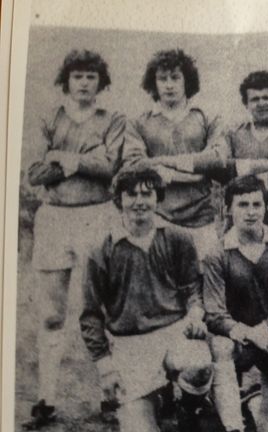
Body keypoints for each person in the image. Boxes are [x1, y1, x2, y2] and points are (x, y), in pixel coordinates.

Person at [24, 49, 126, 429]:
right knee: (52, 314)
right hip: (54, 219)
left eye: (91, 76)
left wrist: (65, 159)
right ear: (66, 81)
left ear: (101, 82)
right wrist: (85, 158)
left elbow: (109, 168)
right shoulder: (48, 118)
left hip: (96, 217)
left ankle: (111, 396)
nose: (84, 83)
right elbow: (34, 174)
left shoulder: (112, 120)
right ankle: (46, 399)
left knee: (100, 308)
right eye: (78, 76)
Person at [79, 165, 214, 432]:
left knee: (199, 365)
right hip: (130, 343)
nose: (139, 201)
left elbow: (192, 288)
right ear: (119, 200)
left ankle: (188, 407)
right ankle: (159, 395)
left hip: (173, 331)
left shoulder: (178, 237)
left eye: (147, 194)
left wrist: (195, 313)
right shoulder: (101, 248)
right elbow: (91, 314)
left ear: (158, 198)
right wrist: (105, 366)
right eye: (131, 195)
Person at [203, 175, 268, 432]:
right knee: (220, 345)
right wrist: (250, 333)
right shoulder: (217, 253)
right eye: (242, 205)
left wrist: (265, 329)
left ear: (265, 206)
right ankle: (233, 426)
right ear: (228, 208)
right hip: (241, 343)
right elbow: (215, 314)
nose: (250, 212)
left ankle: (256, 395)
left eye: (256, 205)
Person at [121, 49, 223, 258]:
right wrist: (193, 174)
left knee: (203, 282)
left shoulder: (206, 117)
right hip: (158, 219)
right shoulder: (140, 122)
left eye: (175, 78)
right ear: (153, 83)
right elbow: (133, 164)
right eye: (162, 79)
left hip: (202, 220)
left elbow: (217, 159)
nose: (169, 85)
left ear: (187, 81)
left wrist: (159, 166)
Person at [197, 71, 268, 233]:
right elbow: (218, 168)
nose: (261, 103)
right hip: (238, 226)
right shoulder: (232, 133)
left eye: (267, 97)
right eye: (255, 99)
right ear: (246, 104)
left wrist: (241, 172)